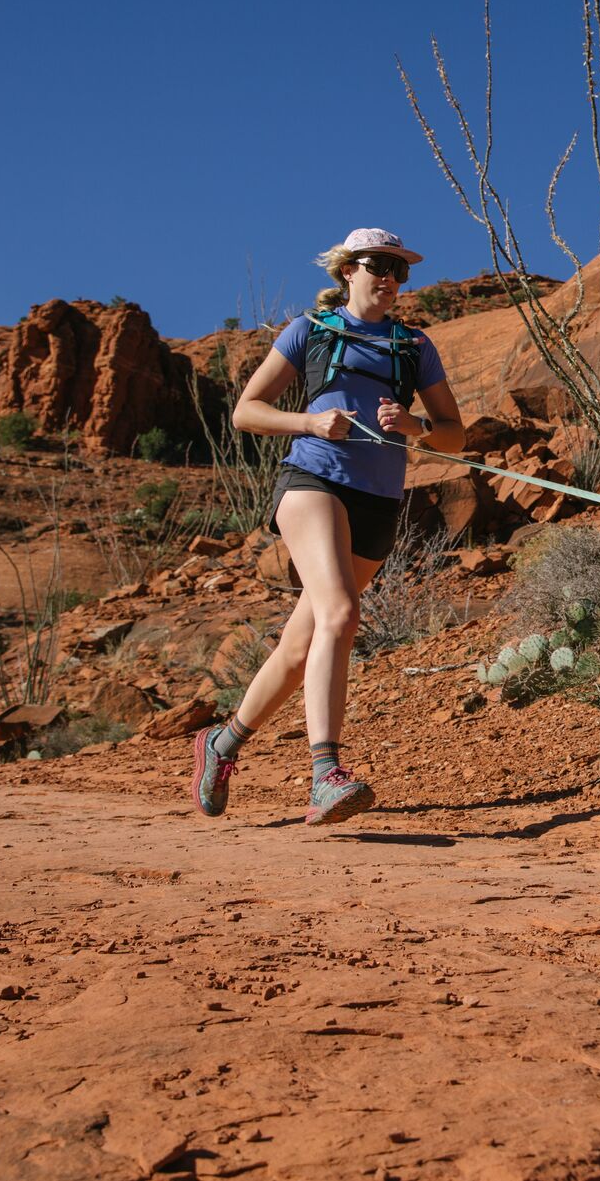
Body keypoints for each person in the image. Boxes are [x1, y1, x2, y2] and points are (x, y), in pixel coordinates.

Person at [189, 228, 466, 826]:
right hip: (312, 482)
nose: (389, 276)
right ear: (348, 271)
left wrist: (414, 426)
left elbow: (454, 434)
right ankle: (325, 774)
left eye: (398, 267)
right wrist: (311, 425)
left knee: (299, 646)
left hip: (378, 500)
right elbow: (246, 412)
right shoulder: (308, 331)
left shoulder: (414, 345)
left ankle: (222, 744)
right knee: (341, 614)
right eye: (377, 265)